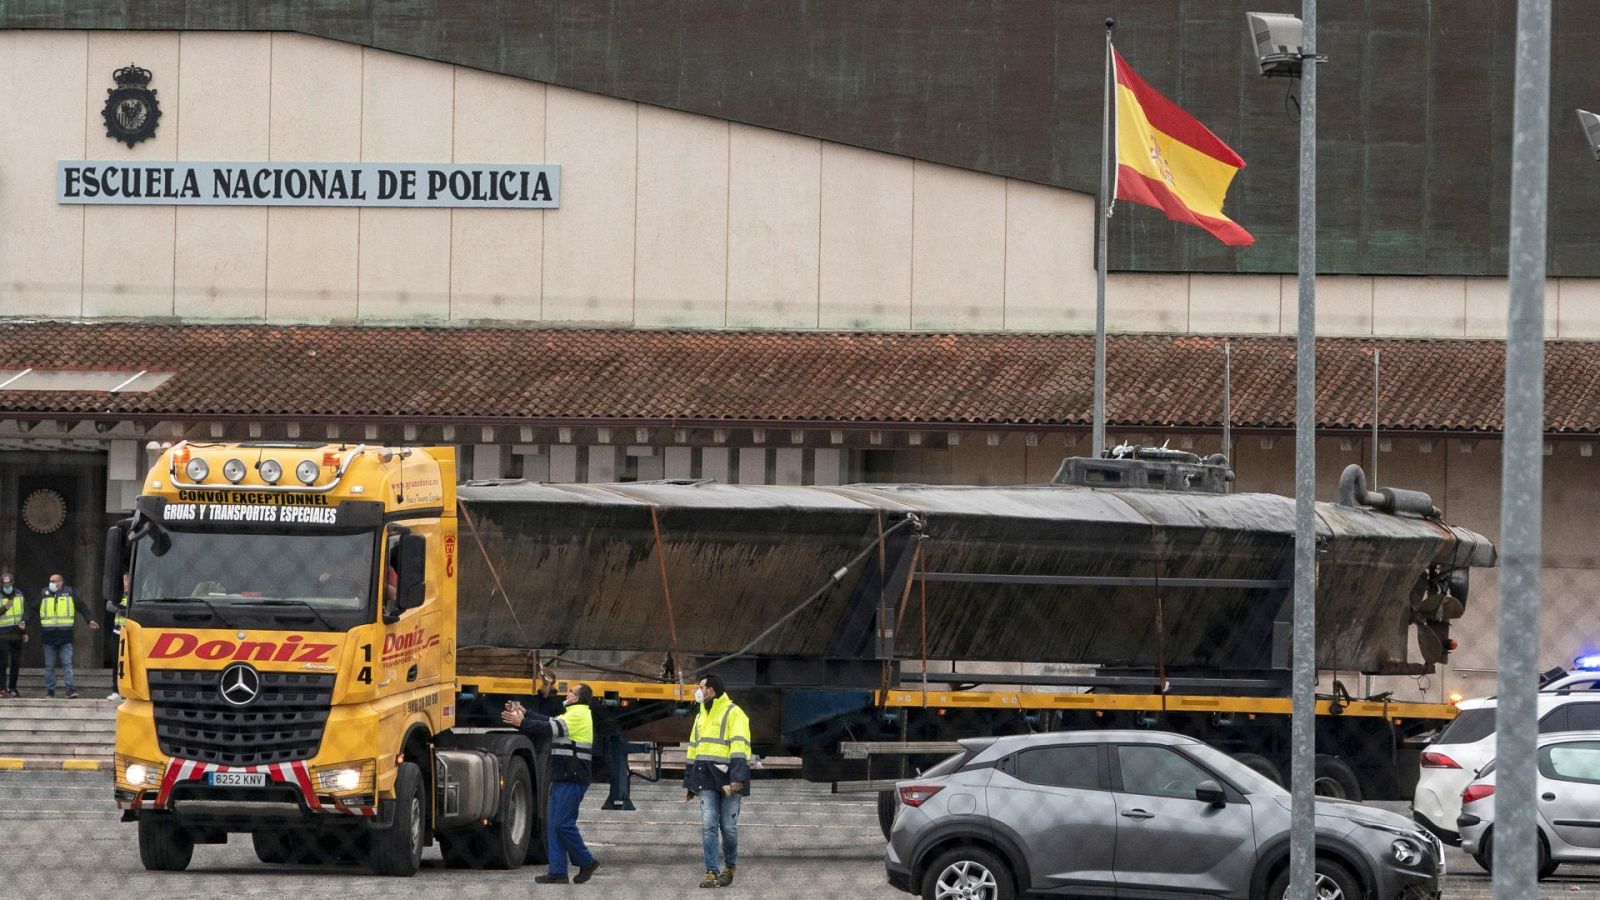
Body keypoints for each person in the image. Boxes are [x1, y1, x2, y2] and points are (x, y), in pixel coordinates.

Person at [502, 671, 600, 885]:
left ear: (577, 697)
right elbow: (549, 720)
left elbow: (549, 729)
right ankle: (557, 871)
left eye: (572, 692)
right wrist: (525, 713)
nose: (568, 693)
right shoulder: (573, 713)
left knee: (563, 824)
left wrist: (521, 723)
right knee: (554, 823)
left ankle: (586, 861)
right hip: (565, 775)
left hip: (572, 776)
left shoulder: (578, 714)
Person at [683, 674, 752, 889]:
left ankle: (730, 867)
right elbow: (693, 750)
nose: (698, 691)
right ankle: (711, 871)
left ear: (711, 690)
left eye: (701, 687)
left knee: (728, 828)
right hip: (705, 778)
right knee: (709, 826)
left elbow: (740, 746)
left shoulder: (734, 713)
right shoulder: (700, 715)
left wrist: (737, 779)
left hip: (729, 780)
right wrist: (690, 783)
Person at [38, 572, 99, 699]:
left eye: (54, 581)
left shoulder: (69, 593)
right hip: (48, 636)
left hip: (65, 635)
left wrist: (89, 620)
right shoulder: (44, 594)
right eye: (50, 581)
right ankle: (50, 691)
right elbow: (33, 608)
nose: (51, 583)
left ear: (61, 582)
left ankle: (70, 690)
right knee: (49, 665)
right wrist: (24, 621)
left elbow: (81, 606)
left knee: (67, 663)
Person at [0, 572, 26, 698]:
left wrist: (25, 632)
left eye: (9, 584)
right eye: (5, 584)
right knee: (3, 663)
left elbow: (22, 615)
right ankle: (2, 689)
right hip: (3, 634)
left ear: (12, 583)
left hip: (17, 634)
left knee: (16, 662)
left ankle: (12, 688)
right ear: (1, 584)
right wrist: (4, 608)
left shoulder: (19, 594)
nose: (7, 586)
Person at [105, 572, 129, 701]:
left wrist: (121, 609)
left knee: (128, 664)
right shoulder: (118, 594)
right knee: (116, 663)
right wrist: (121, 609)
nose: (126, 583)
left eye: (128, 580)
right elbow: (109, 606)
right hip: (117, 632)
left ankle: (127, 690)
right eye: (125, 580)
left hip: (130, 634)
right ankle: (116, 691)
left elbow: (132, 609)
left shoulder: (138, 593)